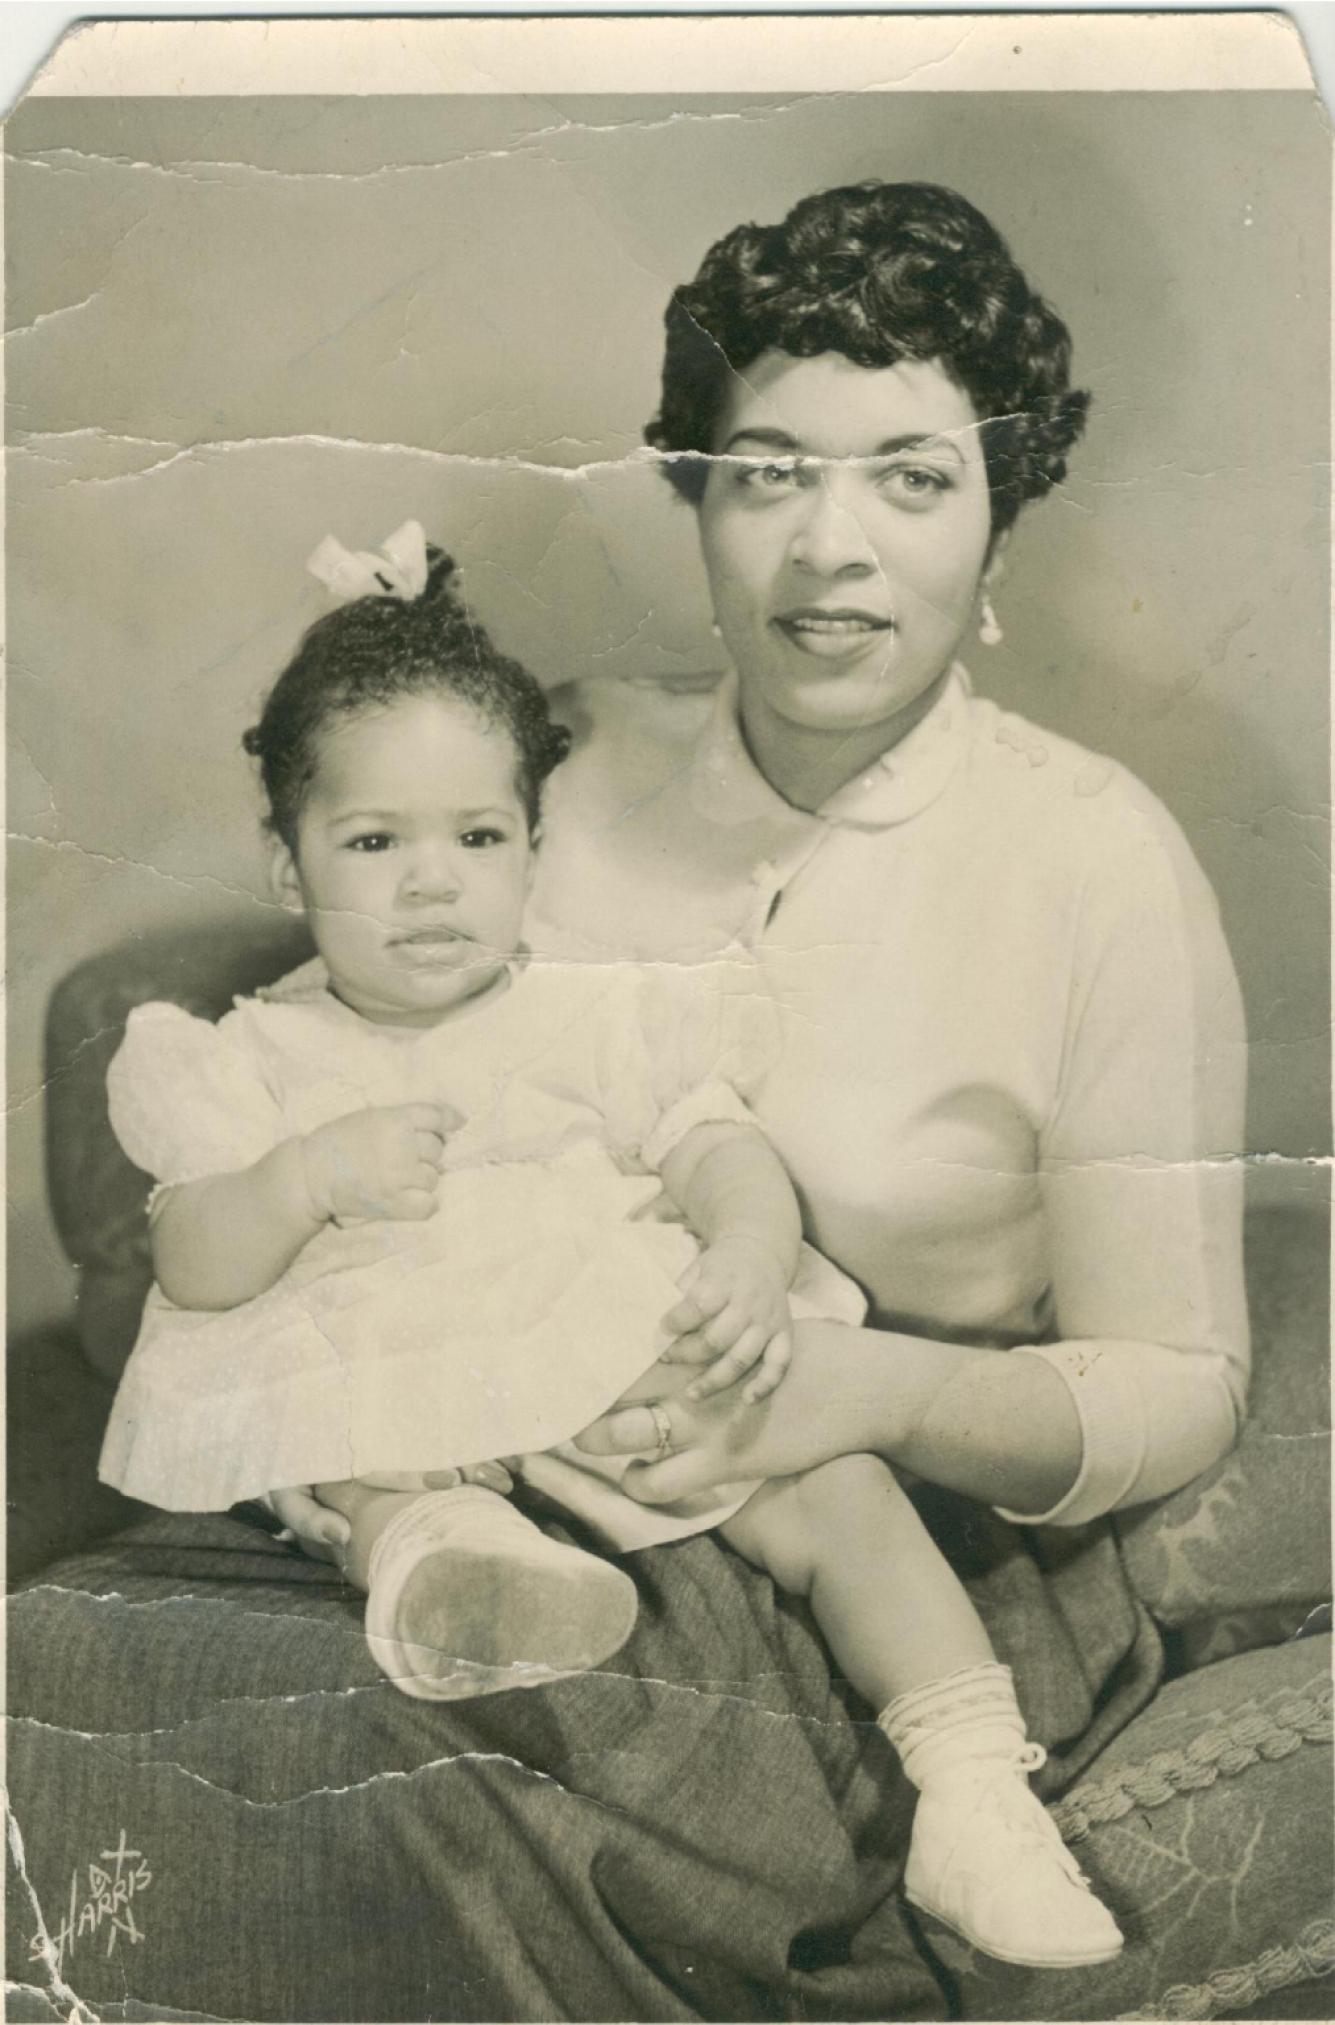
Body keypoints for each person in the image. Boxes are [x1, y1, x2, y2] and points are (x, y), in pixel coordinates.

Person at [98, 524, 1124, 1971]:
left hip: (621, 1372)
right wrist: (302, 1177)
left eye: (478, 838)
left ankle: (973, 1791)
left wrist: (750, 1252)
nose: (432, 884)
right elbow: (198, 1264)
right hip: (412, 1386)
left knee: (832, 1485)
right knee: (361, 1468)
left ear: (533, 847)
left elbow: (718, 1146)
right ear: (287, 864)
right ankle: (451, 1566)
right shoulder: (251, 1058)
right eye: (374, 843)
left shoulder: (591, 1013)